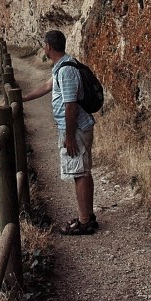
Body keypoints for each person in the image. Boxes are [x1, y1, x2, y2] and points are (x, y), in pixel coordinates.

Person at [22, 29, 97, 234]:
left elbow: (70, 105)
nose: (43, 48)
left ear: (48, 47)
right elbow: (48, 86)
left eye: (44, 44)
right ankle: (87, 215)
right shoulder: (61, 66)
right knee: (82, 171)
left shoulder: (65, 70)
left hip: (76, 130)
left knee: (79, 173)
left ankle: (84, 222)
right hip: (77, 129)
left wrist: (70, 137)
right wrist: (23, 98)